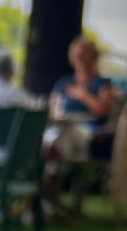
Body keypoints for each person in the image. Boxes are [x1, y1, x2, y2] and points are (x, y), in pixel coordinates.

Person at [42, 36, 114, 213]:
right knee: (51, 138)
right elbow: (52, 107)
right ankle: (48, 196)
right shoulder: (63, 83)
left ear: (94, 56)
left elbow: (102, 110)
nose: (80, 57)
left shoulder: (102, 83)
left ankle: (48, 193)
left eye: (84, 53)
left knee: (57, 141)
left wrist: (82, 95)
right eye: (76, 54)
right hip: (60, 127)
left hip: (87, 130)